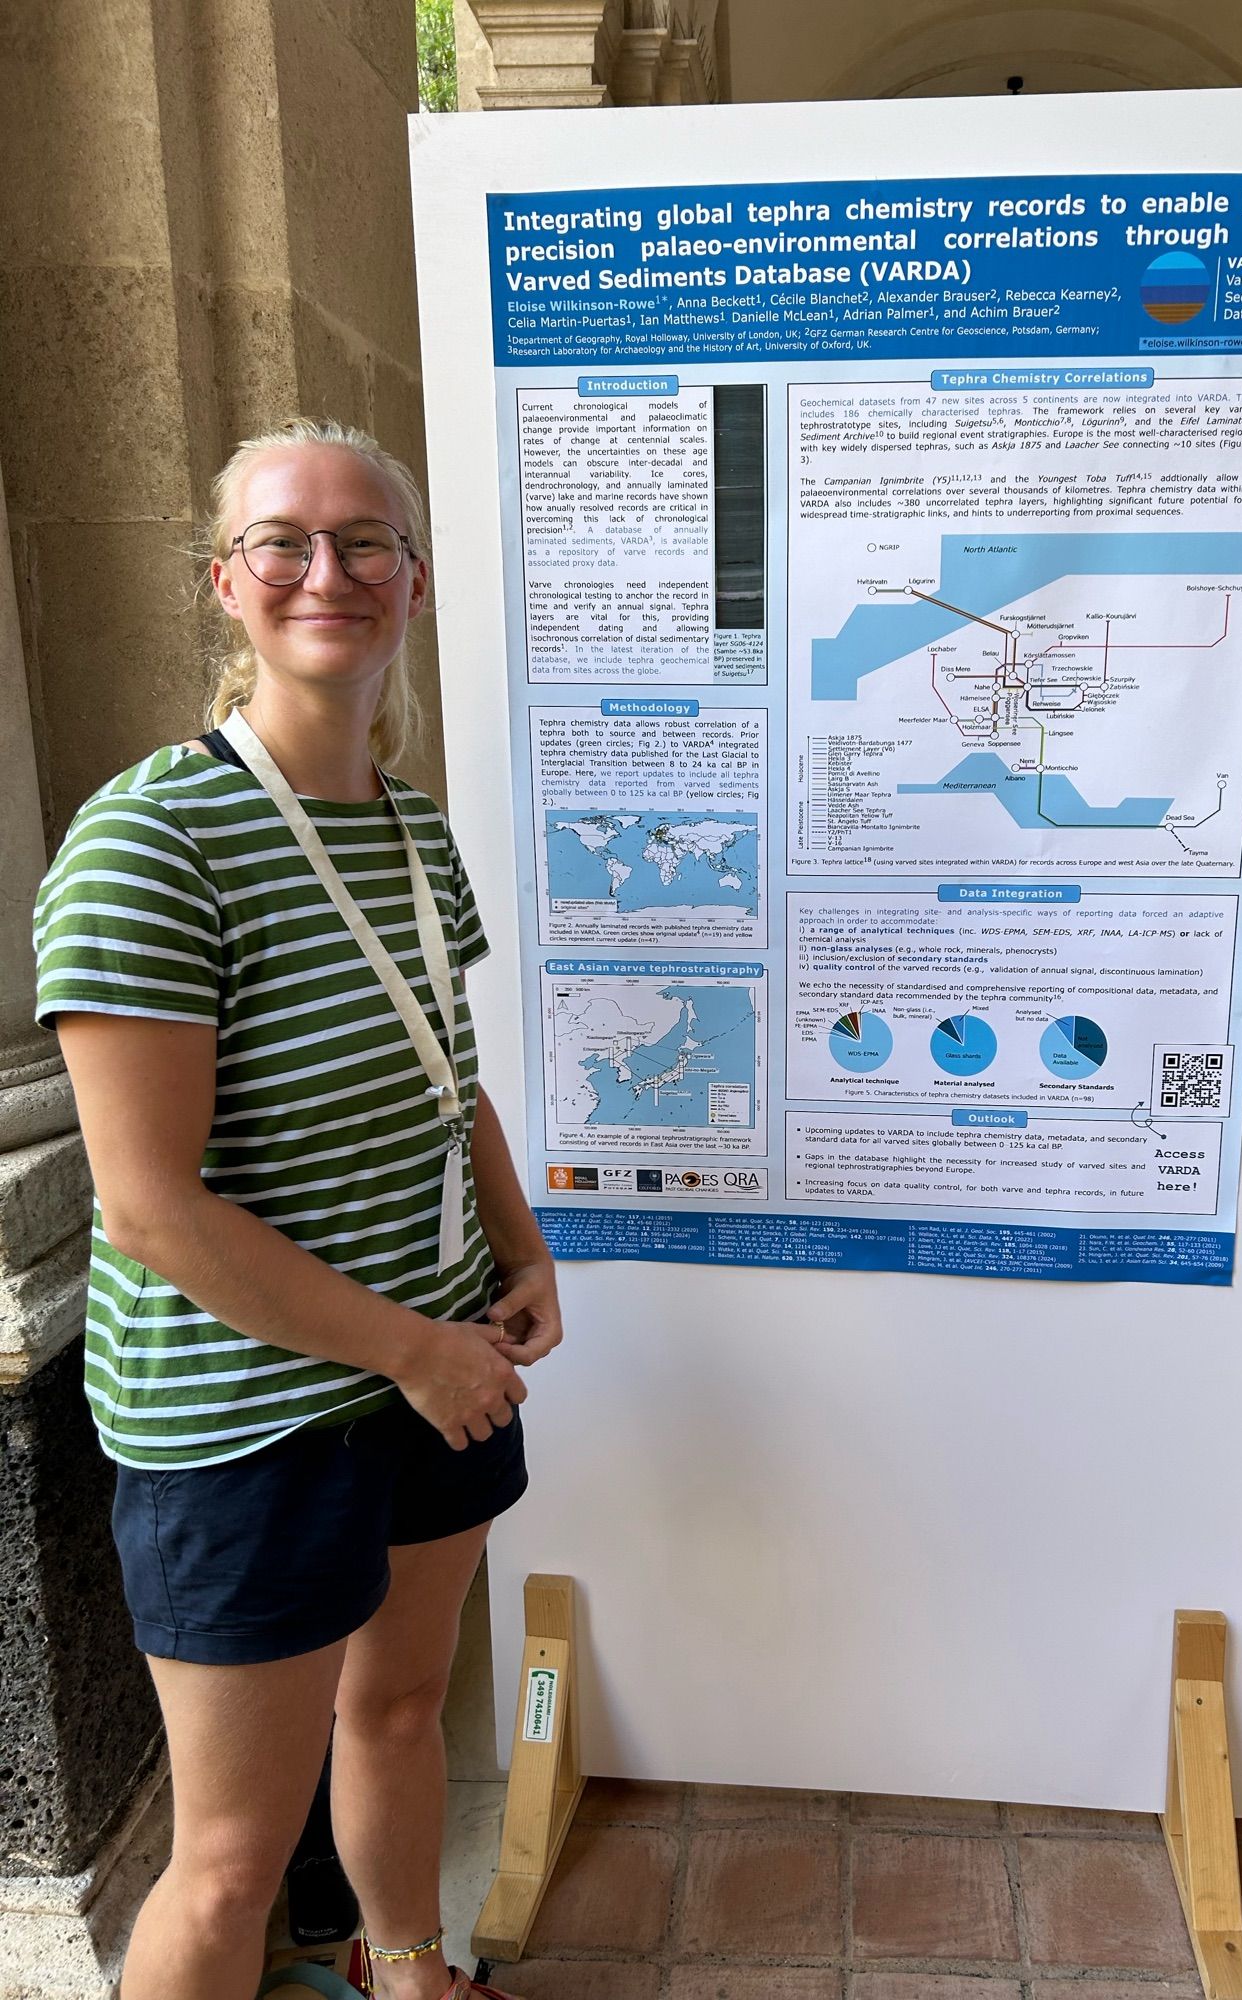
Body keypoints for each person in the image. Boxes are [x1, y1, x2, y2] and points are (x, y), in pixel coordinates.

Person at [31, 417, 559, 2000]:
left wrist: (519, 1246)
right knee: (229, 1864)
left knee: (397, 1711)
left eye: (365, 541)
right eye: (285, 541)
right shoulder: (149, 841)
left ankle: (409, 1969)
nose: (328, 570)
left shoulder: (412, 827)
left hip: (431, 1369)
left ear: (415, 580)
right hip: (247, 1424)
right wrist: (416, 1350)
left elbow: (441, 1068)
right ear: (228, 581)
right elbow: (148, 1210)